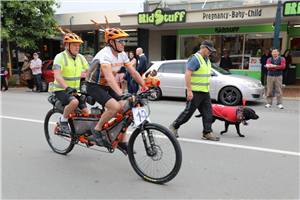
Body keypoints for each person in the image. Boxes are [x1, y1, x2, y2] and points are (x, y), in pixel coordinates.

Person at [86, 18, 150, 152]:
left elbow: (134, 72)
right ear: (111, 42)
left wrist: (145, 87)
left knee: (125, 109)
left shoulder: (122, 55)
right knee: (114, 107)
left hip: (107, 86)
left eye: (124, 40)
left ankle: (122, 141)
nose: (123, 43)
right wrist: (121, 93)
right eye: (120, 40)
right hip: (94, 85)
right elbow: (109, 76)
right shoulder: (105, 55)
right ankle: (97, 129)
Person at [169, 40, 220, 141]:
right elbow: (187, 74)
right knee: (188, 113)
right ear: (203, 47)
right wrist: (189, 91)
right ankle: (174, 125)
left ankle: (207, 132)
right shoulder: (195, 59)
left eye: (212, 50)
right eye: (209, 50)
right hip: (194, 91)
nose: (211, 52)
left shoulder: (207, 60)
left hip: (204, 91)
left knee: (208, 112)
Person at [53, 25, 90, 134]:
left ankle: (79, 132)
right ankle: (63, 121)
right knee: (74, 102)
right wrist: (67, 88)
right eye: (74, 45)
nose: (77, 47)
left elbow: (90, 71)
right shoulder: (60, 57)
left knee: (85, 112)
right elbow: (57, 75)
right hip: (62, 90)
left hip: (75, 90)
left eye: (78, 45)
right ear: (67, 46)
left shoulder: (81, 58)